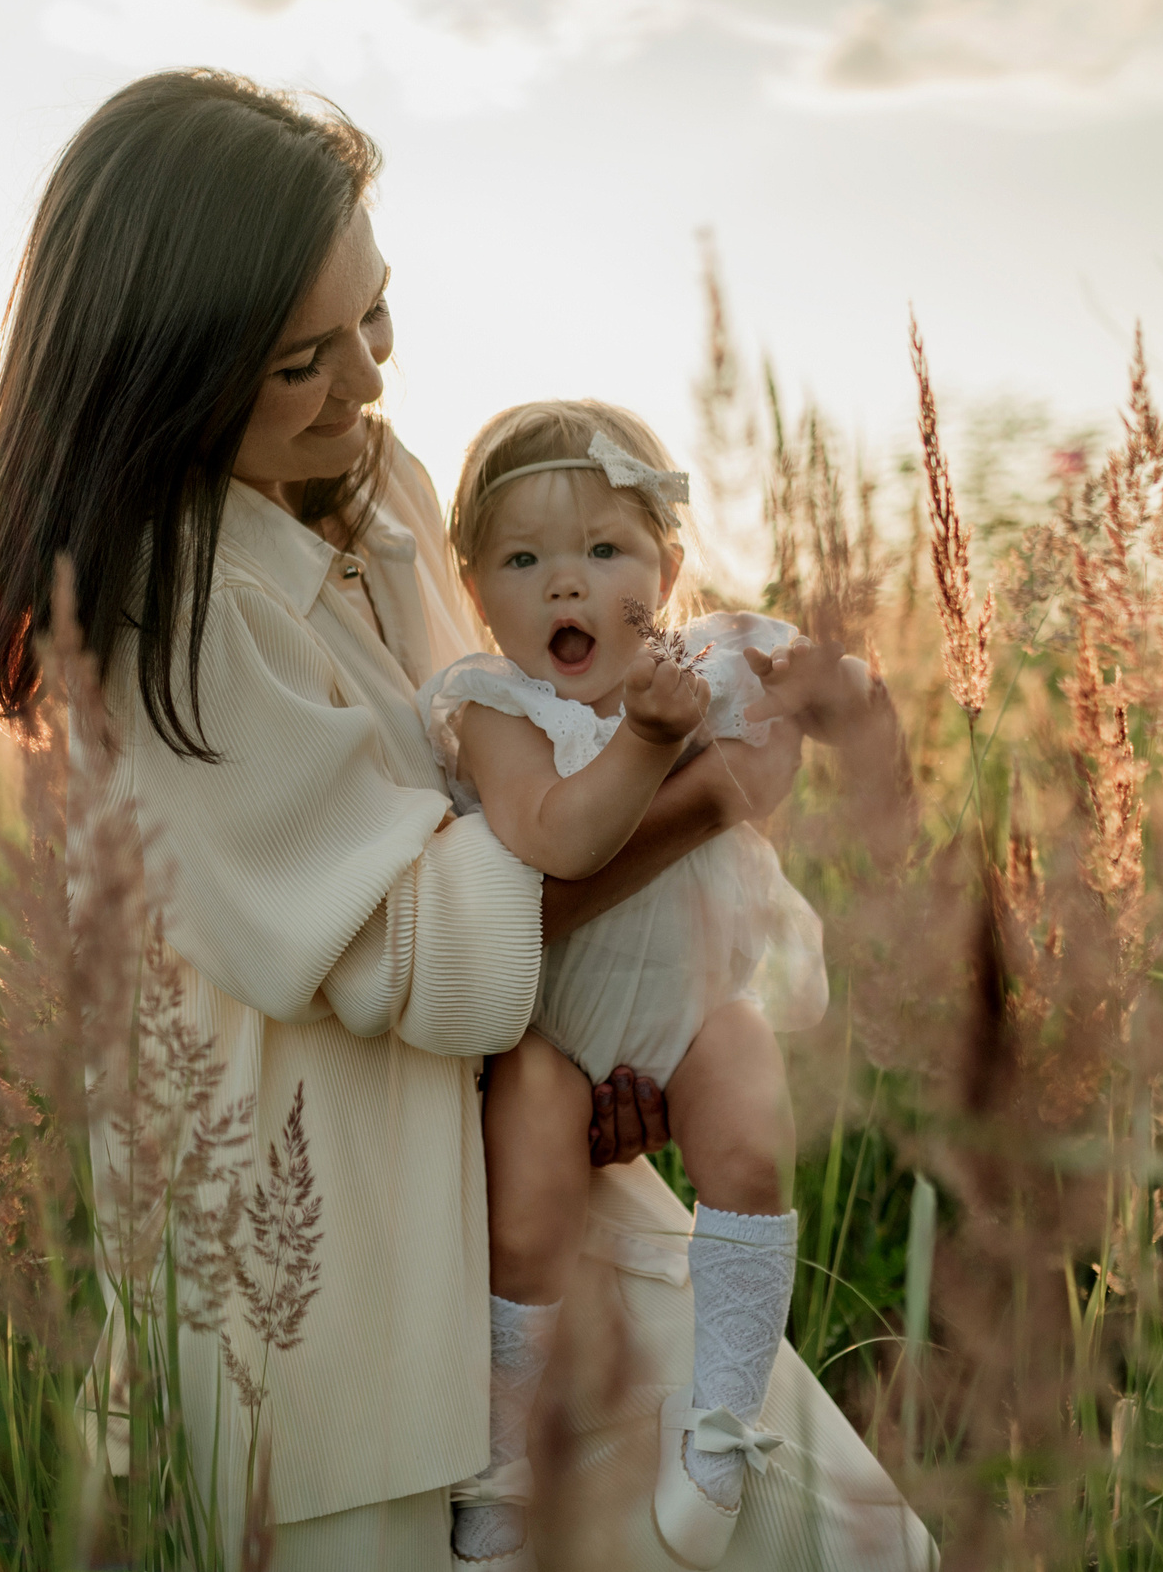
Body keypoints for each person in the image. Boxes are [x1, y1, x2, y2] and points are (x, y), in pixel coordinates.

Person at [0, 68, 930, 1569]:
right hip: (340, 1288)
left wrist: (614, 1037)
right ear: (168, 369)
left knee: (853, 1541)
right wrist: (711, 797)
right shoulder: (166, 621)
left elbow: (509, 780)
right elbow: (430, 958)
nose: (362, 383)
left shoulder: (383, 484)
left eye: (375, 320)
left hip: (524, 1179)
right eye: (301, 361)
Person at [421, 401, 904, 1569]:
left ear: (668, 568)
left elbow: (856, 732)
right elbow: (550, 837)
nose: (565, 588)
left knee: (748, 1128)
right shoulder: (496, 707)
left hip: (694, 1000)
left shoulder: (719, 658)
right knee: (528, 1201)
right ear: (477, 586)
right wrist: (646, 742)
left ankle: (724, 1416)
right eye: (524, 561)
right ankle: (502, 1449)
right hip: (554, 1029)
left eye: (604, 551)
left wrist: (846, 690)